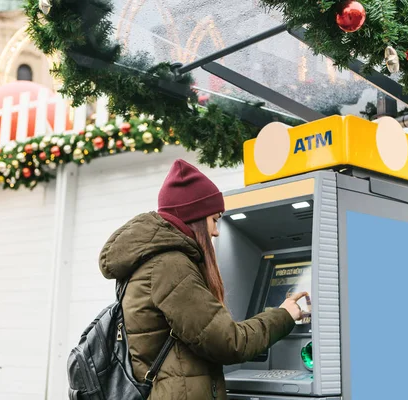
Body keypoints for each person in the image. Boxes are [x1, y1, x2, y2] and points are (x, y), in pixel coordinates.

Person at [99, 159, 308, 399]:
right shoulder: (171, 266)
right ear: (195, 218)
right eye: (214, 219)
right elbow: (230, 342)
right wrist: (284, 315)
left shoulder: (151, 261)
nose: (217, 231)